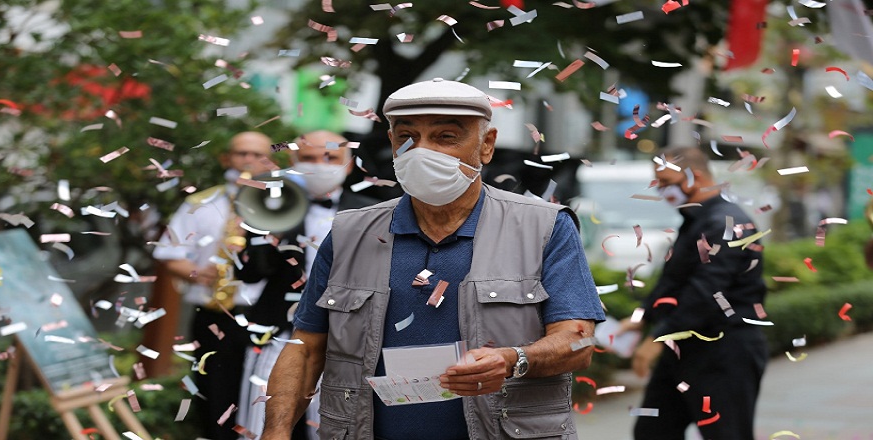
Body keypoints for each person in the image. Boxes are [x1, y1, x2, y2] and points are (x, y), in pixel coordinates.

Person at [260, 78, 605, 440]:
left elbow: (578, 342)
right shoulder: (350, 233)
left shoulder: (544, 227)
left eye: (445, 137)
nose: (421, 151)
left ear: (486, 145)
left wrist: (512, 359)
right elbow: (305, 349)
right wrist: (276, 431)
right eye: (407, 137)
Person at [235, 130, 377, 439]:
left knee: (335, 423)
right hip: (276, 331)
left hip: (346, 335)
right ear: (294, 162)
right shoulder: (273, 204)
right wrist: (260, 224)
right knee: (260, 421)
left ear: (348, 164)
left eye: (330, 158)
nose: (320, 165)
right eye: (309, 158)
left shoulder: (371, 212)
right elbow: (250, 273)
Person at [620, 146, 768, 439]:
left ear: (695, 177)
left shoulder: (725, 224)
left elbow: (707, 293)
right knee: (653, 431)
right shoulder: (696, 221)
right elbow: (674, 282)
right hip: (683, 350)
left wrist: (658, 338)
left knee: (726, 434)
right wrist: (642, 316)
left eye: (665, 182)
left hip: (724, 351)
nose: (662, 191)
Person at [152, 131, 275, 440]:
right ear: (226, 158)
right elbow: (168, 252)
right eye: (241, 153)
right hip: (214, 312)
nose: (249, 160)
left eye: (257, 155)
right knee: (213, 394)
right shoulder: (200, 202)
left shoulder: (281, 201)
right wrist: (196, 272)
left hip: (264, 316)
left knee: (262, 396)